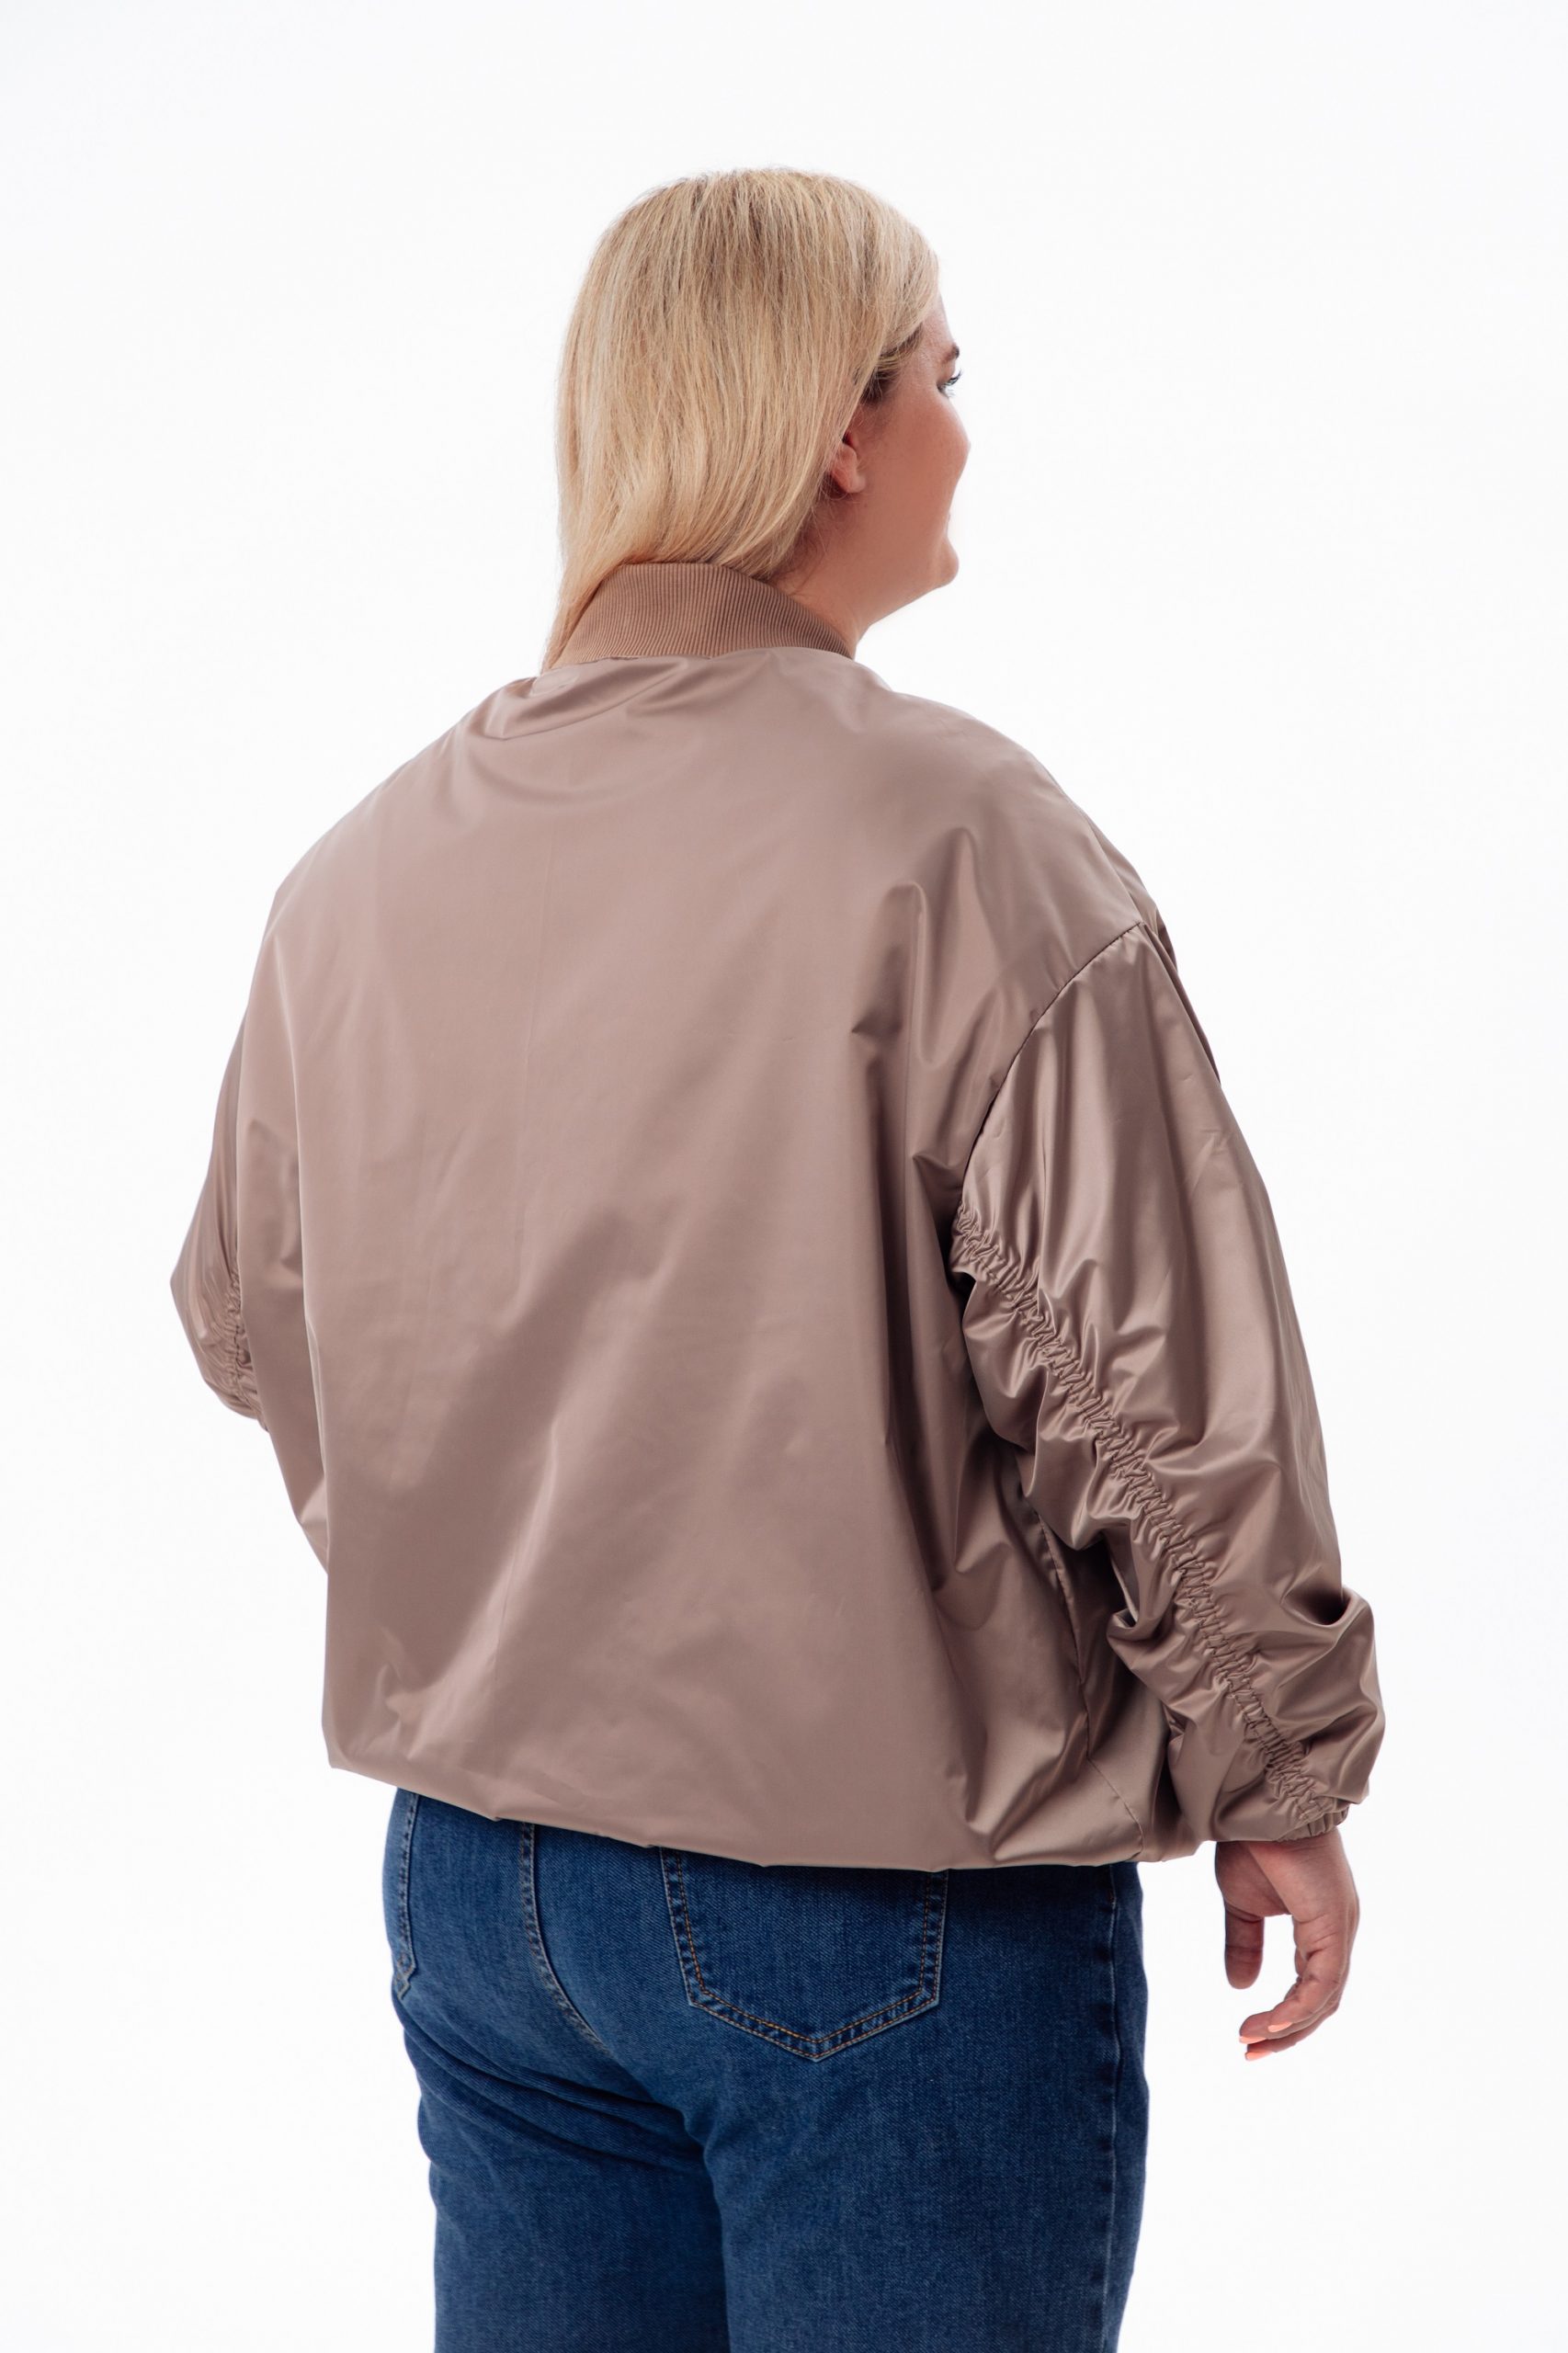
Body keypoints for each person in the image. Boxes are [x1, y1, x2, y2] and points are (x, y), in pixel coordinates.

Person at [169, 167, 1385, 2351]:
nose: (963, 432)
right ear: (840, 426)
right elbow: (1134, 1382)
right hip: (872, 1901)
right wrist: (1276, 1769)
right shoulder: (952, 836)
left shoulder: (360, 872)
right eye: (943, 377)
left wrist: (518, 1565)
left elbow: (255, 1318)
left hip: (485, 1888)